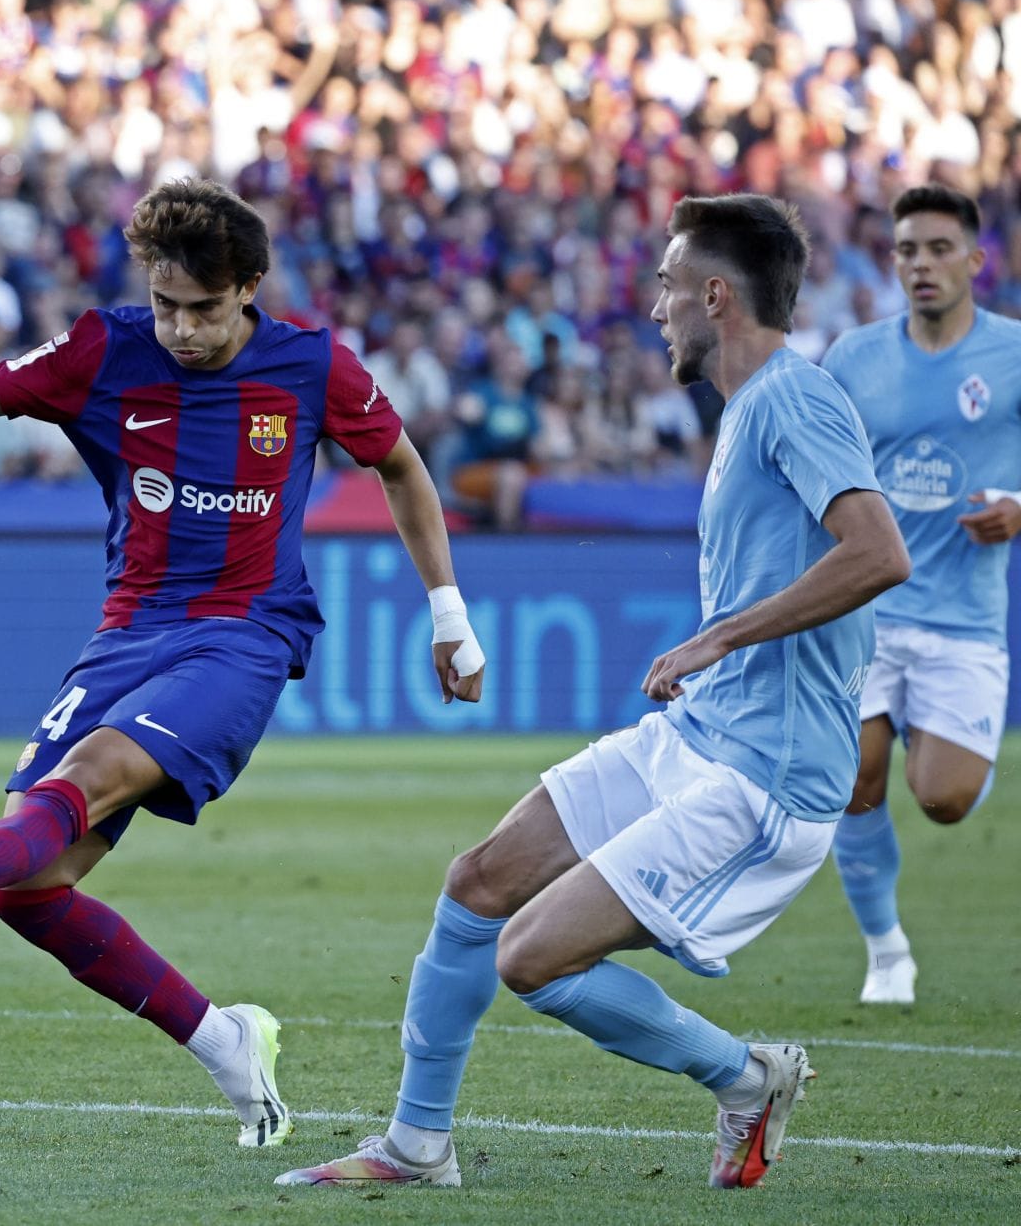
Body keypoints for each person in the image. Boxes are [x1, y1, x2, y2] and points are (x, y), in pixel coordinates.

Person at [0, 178, 486, 1149]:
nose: (182, 328)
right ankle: (226, 1041)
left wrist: (448, 613)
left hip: (246, 633)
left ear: (251, 290)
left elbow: (399, 464)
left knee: (88, 777)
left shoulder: (310, 366)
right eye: (167, 304)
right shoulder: (105, 349)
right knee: (30, 887)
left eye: (205, 310)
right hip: (128, 631)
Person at [279, 195, 909, 1192]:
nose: (655, 307)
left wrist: (718, 635)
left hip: (767, 775)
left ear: (716, 294)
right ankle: (414, 1145)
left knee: (529, 955)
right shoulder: (752, 407)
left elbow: (879, 553)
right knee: (480, 881)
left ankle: (748, 1075)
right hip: (702, 734)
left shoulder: (794, 397)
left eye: (667, 285)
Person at [818, 185, 1021, 1006]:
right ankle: (885, 948)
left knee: (942, 798)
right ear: (890, 260)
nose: (921, 264)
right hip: (870, 607)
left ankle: (929, 740)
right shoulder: (853, 358)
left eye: (939, 249)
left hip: (965, 620)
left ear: (975, 261)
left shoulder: (1012, 355)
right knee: (853, 777)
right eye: (907, 250)